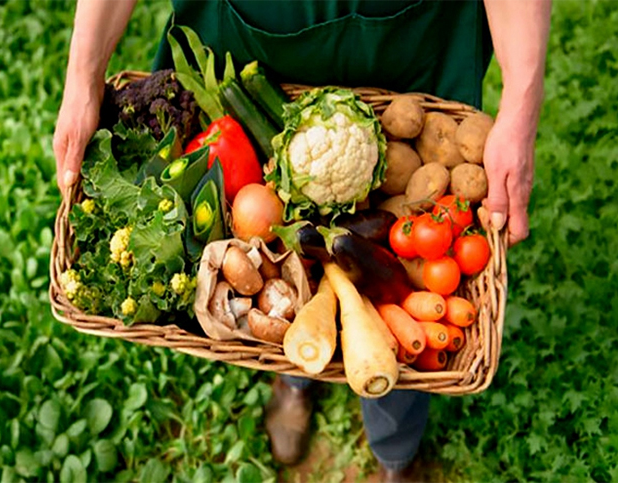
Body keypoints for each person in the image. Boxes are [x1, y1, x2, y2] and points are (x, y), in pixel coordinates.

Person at [53, 0, 551, 479]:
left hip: (406, 43)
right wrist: (81, 77)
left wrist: (523, 105)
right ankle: (295, 371)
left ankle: (395, 451)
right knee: (290, 273)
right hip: (248, 40)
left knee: (399, 302)